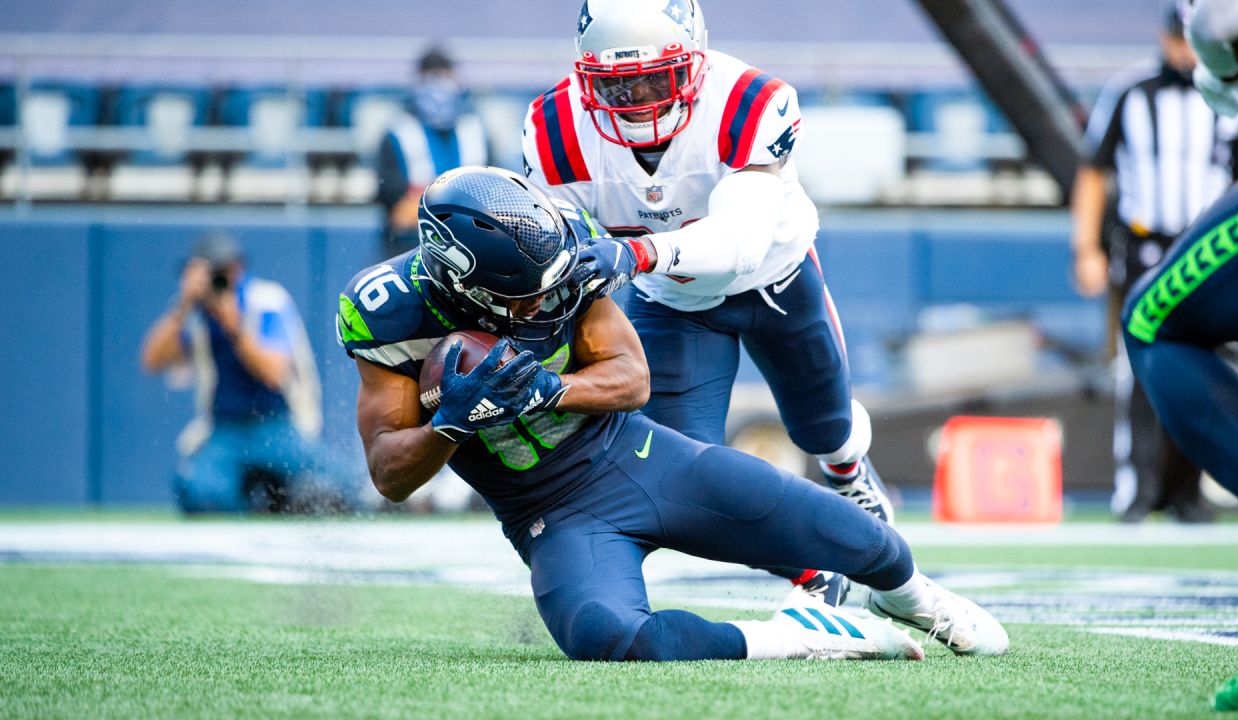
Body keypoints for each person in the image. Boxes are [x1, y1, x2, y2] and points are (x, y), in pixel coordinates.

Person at [337, 165, 1008, 662]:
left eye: (552, 290)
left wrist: (549, 389)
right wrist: (452, 422)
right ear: (461, 282)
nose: (544, 306)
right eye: (522, 297)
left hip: (636, 457)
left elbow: (631, 378)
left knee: (866, 540)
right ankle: (800, 638)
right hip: (550, 514)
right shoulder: (391, 313)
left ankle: (911, 597)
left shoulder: (567, 251)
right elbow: (389, 476)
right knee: (607, 637)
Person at [518, 0, 892, 599]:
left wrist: (638, 254)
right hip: (672, 304)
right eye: (618, 85)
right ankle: (810, 572)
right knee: (686, 477)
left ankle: (848, 472)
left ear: (693, 60)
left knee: (827, 429)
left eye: (654, 78)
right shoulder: (555, 130)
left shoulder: (748, 100)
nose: (638, 100)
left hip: (775, 282)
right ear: (585, 78)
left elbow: (739, 246)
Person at [1122, 0, 1238, 709]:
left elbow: (1218, 21)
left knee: (1153, 322)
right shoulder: (1130, 95)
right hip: (1147, 224)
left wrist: (1226, 63)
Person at [1071, 0, 1238, 524]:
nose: (1182, 50)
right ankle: (1136, 489)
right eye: (1177, 39)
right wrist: (1086, 247)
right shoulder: (1130, 91)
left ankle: (1187, 491)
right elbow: (1093, 172)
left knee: (1205, 368)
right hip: (1146, 248)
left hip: (1205, 251)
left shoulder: (1226, 96)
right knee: (1139, 367)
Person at [141, 233, 325, 513]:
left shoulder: (266, 300)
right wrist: (183, 305)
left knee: (329, 487)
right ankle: (257, 495)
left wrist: (234, 327)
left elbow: (274, 373)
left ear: (236, 268)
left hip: (276, 425)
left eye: (218, 272)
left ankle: (278, 493)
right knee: (202, 493)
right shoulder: (196, 312)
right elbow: (152, 361)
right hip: (224, 430)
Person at [375, 46, 488, 259]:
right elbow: (399, 211)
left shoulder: (475, 131)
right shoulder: (397, 133)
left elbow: (491, 201)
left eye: (444, 77)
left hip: (470, 247)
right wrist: (459, 209)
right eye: (431, 77)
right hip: (410, 248)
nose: (438, 86)